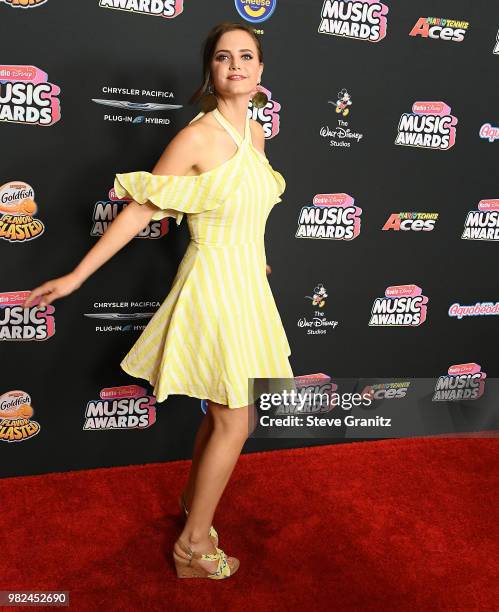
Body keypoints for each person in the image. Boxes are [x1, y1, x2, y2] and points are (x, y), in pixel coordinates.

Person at [22, 21, 295, 580]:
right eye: (223, 57)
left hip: (246, 283)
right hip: (213, 287)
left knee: (223, 412)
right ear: (211, 71)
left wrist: (255, 253)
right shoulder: (197, 137)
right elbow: (144, 209)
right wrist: (77, 275)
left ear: (262, 70)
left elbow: (244, 204)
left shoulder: (258, 131)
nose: (236, 66)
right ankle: (193, 547)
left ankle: (193, 511)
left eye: (246, 56)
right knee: (235, 419)